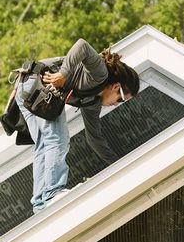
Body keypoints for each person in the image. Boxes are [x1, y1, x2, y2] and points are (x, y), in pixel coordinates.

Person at [16, 39, 140, 212]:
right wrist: (63, 74)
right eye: (120, 100)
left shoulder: (92, 102)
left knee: (43, 145)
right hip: (33, 83)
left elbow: (95, 139)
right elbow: (82, 46)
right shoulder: (99, 74)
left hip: (27, 89)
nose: (115, 104)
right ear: (116, 86)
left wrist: (120, 166)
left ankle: (39, 204)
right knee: (57, 139)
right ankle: (53, 192)